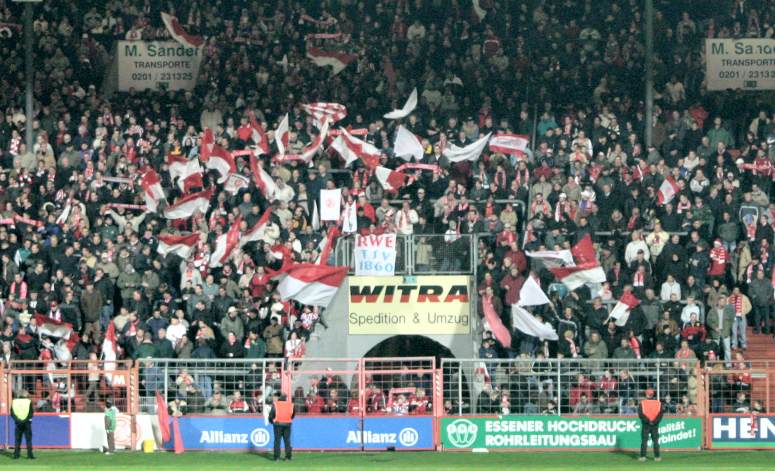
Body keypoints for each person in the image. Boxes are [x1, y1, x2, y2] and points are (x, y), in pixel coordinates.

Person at [638, 388, 663, 462]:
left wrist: (648, 421)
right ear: (653, 394)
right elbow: (660, 414)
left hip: (646, 424)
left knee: (644, 441)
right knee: (655, 441)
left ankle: (643, 457)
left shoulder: (642, 403)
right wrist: (654, 421)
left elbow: (640, 414)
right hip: (655, 424)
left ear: (646, 394)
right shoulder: (658, 403)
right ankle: (657, 457)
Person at [268, 393, 295, 461]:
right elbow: (293, 414)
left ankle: (277, 457)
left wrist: (271, 421)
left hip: (277, 424)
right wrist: (288, 419)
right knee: (287, 441)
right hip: (287, 424)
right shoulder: (290, 405)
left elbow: (271, 415)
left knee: (277, 441)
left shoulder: (276, 404)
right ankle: (288, 457)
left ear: (279, 398)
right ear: (285, 399)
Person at [11, 390, 34, 460]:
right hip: (27, 423)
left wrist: (17, 420)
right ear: (25, 394)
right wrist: (25, 420)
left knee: (17, 440)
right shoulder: (28, 401)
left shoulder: (14, 401)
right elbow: (31, 413)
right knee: (28, 440)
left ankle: (16, 455)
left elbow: (12, 413)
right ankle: (30, 455)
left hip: (18, 423)